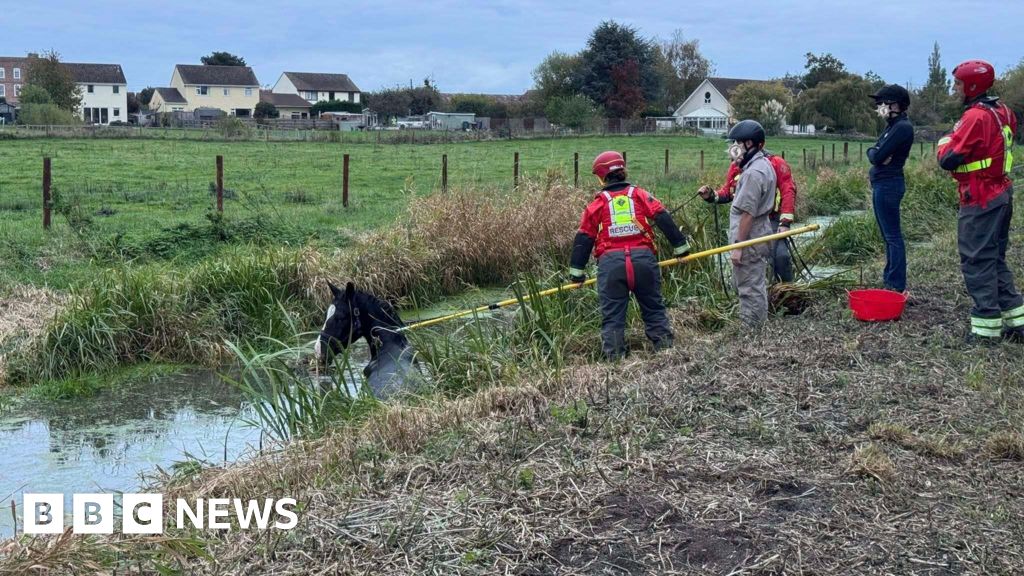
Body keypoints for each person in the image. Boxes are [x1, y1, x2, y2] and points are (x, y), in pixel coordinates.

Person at [569, 151, 691, 360]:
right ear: (623, 170)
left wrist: (576, 273)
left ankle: (615, 362)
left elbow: (585, 237)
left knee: (613, 317)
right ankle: (666, 353)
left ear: (601, 176)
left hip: (611, 265)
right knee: (653, 309)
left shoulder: (597, 203)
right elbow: (662, 217)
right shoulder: (640, 195)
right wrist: (681, 247)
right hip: (643, 260)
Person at [937, 59, 1022, 343]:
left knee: (977, 260)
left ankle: (986, 329)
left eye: (958, 84)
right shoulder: (1004, 111)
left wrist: (944, 142)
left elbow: (949, 159)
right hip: (1001, 193)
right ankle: (1016, 320)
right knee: (995, 259)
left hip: (981, 197)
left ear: (972, 86)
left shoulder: (975, 117)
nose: (955, 89)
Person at [698, 130, 797, 282]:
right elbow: (729, 192)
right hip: (748, 223)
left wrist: (785, 223)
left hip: (772, 219)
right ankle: (766, 293)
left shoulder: (776, 163)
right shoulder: (737, 166)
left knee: (781, 256)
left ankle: (789, 290)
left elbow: (788, 191)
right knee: (757, 262)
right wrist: (712, 195)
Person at [720, 120, 777, 327]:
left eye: (739, 143)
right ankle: (756, 329)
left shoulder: (754, 173)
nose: (735, 148)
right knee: (754, 283)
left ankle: (752, 333)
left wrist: (738, 246)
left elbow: (747, 214)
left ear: (753, 145)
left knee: (749, 287)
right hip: (756, 234)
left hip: (750, 237)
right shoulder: (760, 165)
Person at [866, 84, 914, 293]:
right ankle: (890, 279)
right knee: (889, 236)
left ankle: (895, 284)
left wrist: (876, 153)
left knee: (892, 236)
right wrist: (875, 152)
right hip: (883, 184)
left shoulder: (901, 128)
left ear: (895, 104)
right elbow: (876, 153)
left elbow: (877, 156)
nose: (879, 107)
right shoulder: (892, 126)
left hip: (888, 185)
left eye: (882, 103)